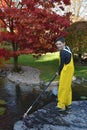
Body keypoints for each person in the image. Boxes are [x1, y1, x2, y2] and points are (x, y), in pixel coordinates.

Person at [55, 36, 74, 112]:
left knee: (63, 88)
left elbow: (61, 64)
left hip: (66, 71)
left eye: (60, 44)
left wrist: (58, 72)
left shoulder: (62, 52)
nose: (58, 46)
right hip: (70, 70)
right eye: (57, 44)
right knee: (68, 87)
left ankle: (61, 105)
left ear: (64, 43)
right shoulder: (68, 48)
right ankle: (68, 103)